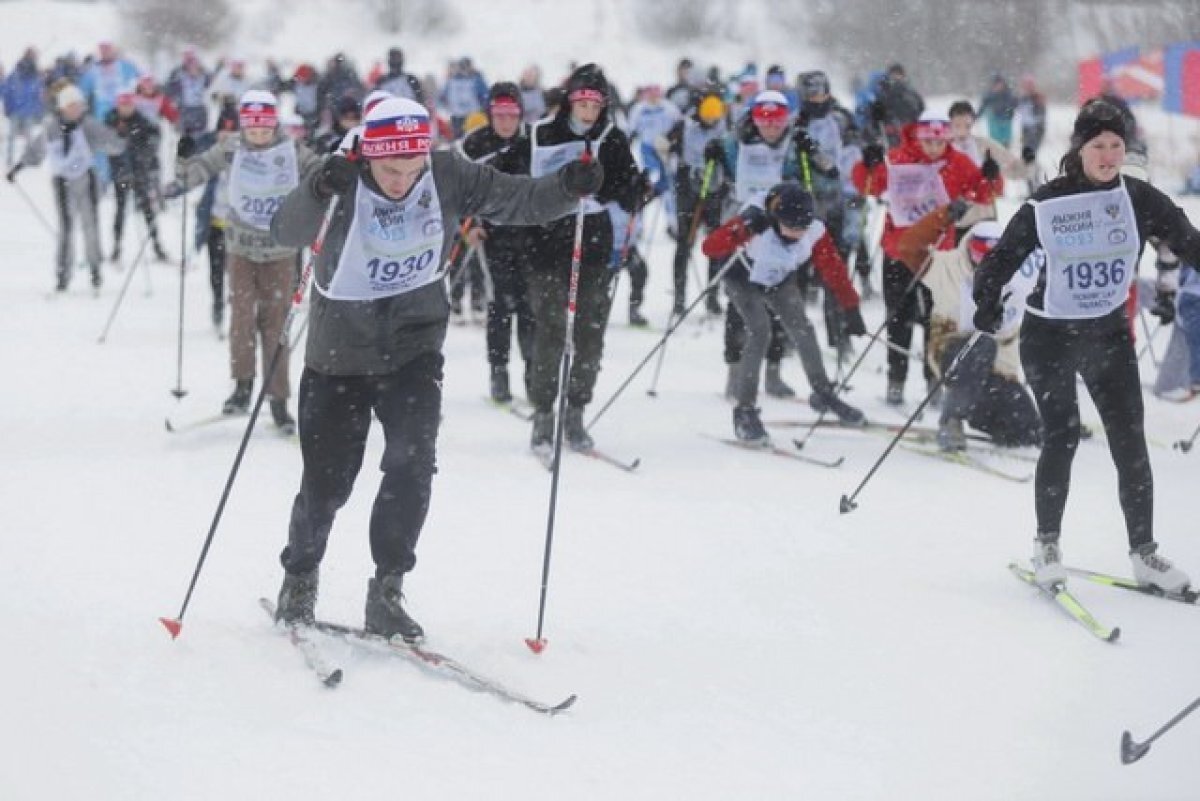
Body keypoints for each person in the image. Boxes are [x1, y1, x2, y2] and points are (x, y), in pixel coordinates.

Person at [267, 96, 603, 637]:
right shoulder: (341, 175)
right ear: (368, 155)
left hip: (413, 349)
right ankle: (301, 575)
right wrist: (318, 188)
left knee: (411, 464)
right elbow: (285, 230)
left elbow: (517, 200)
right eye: (388, 169)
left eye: (411, 168)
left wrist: (568, 187)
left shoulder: (446, 173)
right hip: (339, 356)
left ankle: (387, 589)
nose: (400, 181)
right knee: (328, 482)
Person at [972, 98, 1200, 592]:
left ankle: (1145, 554)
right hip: (1049, 334)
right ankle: (1047, 545)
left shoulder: (1139, 198)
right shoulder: (1047, 202)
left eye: (1117, 145)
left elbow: (1188, 241)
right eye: (1098, 145)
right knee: (1063, 435)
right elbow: (1001, 259)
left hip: (1108, 334)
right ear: (1080, 148)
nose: (1109, 155)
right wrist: (986, 300)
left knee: (1130, 442)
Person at [169, 89, 321, 430]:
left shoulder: (290, 149)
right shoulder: (232, 146)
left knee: (277, 322)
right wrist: (182, 167)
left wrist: (337, 174)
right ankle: (242, 386)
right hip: (240, 248)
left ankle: (278, 399)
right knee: (241, 317)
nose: (259, 136)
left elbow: (320, 173)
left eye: (265, 129)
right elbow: (199, 170)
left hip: (281, 250)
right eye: (253, 129)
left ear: (274, 126)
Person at [524, 63, 645, 454]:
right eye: (582, 102)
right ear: (570, 102)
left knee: (590, 332)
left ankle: (575, 411)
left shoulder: (611, 138)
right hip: (547, 244)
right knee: (552, 328)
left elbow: (626, 187)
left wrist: (632, 189)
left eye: (595, 104)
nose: (588, 112)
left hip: (592, 243)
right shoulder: (541, 132)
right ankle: (544, 412)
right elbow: (519, 180)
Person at [852, 109, 1000, 406]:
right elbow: (868, 185)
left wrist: (990, 177)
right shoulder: (899, 158)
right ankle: (896, 379)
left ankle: (933, 378)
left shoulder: (957, 161)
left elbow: (982, 193)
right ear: (917, 137)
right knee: (898, 317)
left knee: (937, 318)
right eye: (928, 142)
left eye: (939, 142)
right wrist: (866, 165)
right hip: (898, 249)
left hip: (938, 254)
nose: (934, 148)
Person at [702, 182, 867, 442]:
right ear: (777, 216)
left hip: (778, 278)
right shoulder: (755, 217)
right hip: (743, 278)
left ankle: (823, 392)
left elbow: (833, 269)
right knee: (760, 330)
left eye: (800, 230)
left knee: (802, 328)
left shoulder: (813, 230)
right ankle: (745, 411)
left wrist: (851, 306)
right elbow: (710, 247)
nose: (795, 235)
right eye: (789, 228)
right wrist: (742, 230)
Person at [706, 89, 815, 399]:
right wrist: (711, 159)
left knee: (779, 302)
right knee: (740, 304)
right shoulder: (734, 142)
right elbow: (712, 182)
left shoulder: (795, 144)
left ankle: (773, 371)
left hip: (781, 231)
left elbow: (810, 182)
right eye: (764, 120)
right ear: (754, 119)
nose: (771, 127)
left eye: (777, 120)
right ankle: (736, 370)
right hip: (744, 227)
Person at [896, 215, 1041, 450]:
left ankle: (980, 414)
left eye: (991, 259)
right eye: (978, 255)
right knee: (982, 343)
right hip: (950, 351)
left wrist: (1009, 379)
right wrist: (944, 215)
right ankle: (951, 420)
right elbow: (907, 247)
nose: (983, 265)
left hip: (992, 368)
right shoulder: (947, 265)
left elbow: (1009, 335)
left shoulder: (1017, 277)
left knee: (1028, 430)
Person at [456, 81, 537, 403]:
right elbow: (460, 190)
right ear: (490, 114)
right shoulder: (474, 145)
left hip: (530, 234)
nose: (505, 121)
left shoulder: (533, 141)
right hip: (491, 235)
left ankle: (533, 370)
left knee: (531, 304)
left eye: (512, 114)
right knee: (500, 305)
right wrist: (470, 226)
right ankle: (499, 371)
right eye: (499, 114)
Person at [7, 84, 125, 292]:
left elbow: (113, 143)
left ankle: (95, 269)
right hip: (62, 183)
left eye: (78, 105)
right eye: (71, 106)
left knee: (91, 226)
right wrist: (18, 167)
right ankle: (63, 274)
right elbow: (35, 151)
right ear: (62, 108)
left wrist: (123, 135)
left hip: (86, 181)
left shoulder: (89, 126)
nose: (75, 109)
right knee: (66, 229)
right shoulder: (51, 128)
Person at [663, 87, 728, 315]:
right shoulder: (685, 125)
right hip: (688, 191)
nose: (712, 118)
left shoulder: (725, 127)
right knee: (684, 244)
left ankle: (712, 296)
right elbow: (664, 144)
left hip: (715, 191)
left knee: (716, 245)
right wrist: (669, 150)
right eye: (707, 113)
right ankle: (679, 298)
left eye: (716, 113)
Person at [105, 88, 169, 263]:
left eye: (128, 105)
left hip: (139, 172)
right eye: (122, 106)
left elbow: (154, 137)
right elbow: (107, 145)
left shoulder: (141, 120)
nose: (126, 109)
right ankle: (116, 248)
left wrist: (143, 156)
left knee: (148, 210)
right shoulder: (111, 119)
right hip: (120, 173)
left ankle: (157, 246)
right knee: (120, 211)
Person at [3, 48, 45, 168]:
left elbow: (37, 94)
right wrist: (8, 107)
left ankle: (23, 160)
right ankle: (11, 161)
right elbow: (8, 90)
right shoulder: (20, 71)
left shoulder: (33, 73)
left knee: (26, 137)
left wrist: (38, 110)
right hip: (19, 110)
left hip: (25, 111)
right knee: (20, 137)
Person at [165, 48, 211, 135]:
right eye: (189, 62)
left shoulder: (204, 74)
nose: (192, 65)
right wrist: (174, 102)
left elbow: (214, 85)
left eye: (194, 61)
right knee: (186, 138)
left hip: (200, 109)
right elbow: (169, 90)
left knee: (200, 136)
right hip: (184, 109)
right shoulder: (178, 74)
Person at [977, 73, 1017, 148]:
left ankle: (1005, 150)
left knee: (1005, 142)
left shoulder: (1008, 94)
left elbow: (1014, 104)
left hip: (1005, 120)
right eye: (996, 84)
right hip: (994, 120)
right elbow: (983, 106)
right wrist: (977, 116)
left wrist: (1011, 110)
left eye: (1000, 83)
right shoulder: (989, 95)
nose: (998, 86)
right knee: (995, 142)